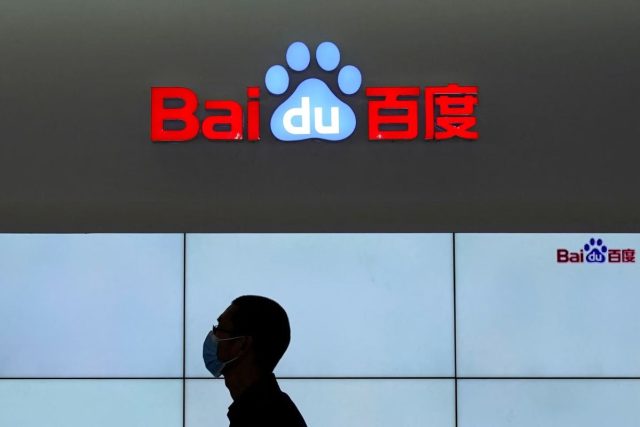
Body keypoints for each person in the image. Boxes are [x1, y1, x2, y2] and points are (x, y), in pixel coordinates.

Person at [203, 295, 308, 427]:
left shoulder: (267, 417)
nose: (212, 335)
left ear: (241, 344)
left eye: (218, 328)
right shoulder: (265, 409)